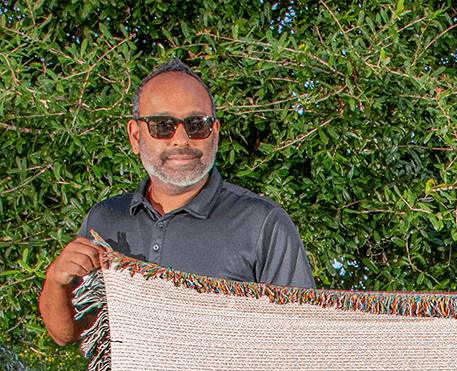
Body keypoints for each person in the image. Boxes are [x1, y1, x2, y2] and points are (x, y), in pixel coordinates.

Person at [39, 58, 315, 346]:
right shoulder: (105, 220)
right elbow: (67, 334)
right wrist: (56, 280)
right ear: (135, 136)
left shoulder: (262, 224)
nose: (181, 139)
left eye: (197, 125)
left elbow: (301, 339)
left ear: (215, 132)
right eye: (163, 125)